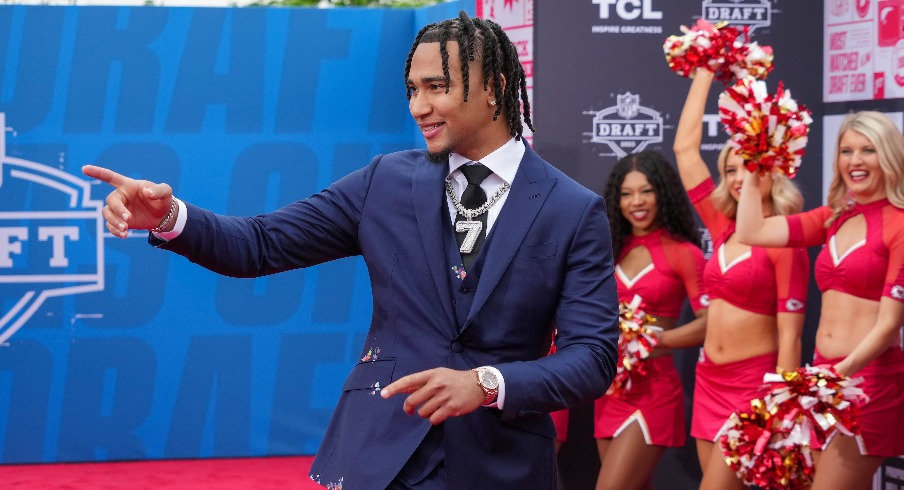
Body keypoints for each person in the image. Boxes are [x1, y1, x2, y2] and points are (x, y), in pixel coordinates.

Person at [82, 11, 619, 490]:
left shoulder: (571, 210)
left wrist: (486, 384)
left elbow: (592, 358)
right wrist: (173, 218)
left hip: (501, 464)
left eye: (436, 87)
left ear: (495, 87)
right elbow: (261, 244)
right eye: (412, 89)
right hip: (379, 459)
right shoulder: (384, 183)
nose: (419, 106)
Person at [736, 111, 904, 490]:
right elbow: (751, 229)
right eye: (846, 151)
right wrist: (753, 164)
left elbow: (890, 323)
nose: (855, 161)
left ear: (890, 157)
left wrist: (838, 374)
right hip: (825, 381)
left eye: (868, 150)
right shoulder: (834, 218)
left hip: (868, 384)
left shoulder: (900, 223)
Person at [673, 67, 809, 489]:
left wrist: (782, 407)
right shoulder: (721, 225)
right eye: (731, 170)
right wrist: (703, 72)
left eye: (749, 166)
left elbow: (791, 336)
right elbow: (684, 150)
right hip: (708, 381)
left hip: (752, 388)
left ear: (771, 169)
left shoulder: (786, 239)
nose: (738, 179)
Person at [594, 151, 708, 490]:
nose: (636, 202)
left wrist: (650, 340)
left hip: (654, 392)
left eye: (646, 191)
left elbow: (710, 323)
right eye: (626, 194)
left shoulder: (685, 253)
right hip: (609, 391)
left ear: (663, 193)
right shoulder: (610, 248)